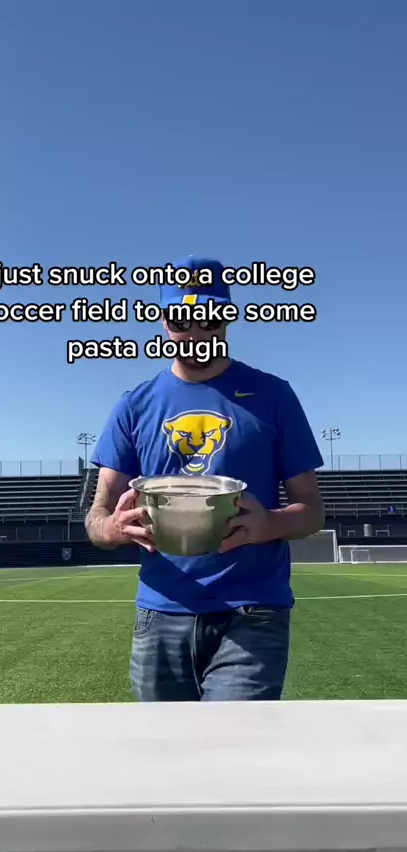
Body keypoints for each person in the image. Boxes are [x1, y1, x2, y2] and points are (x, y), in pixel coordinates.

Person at [86, 255, 325, 702]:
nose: (196, 332)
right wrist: (112, 527)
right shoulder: (133, 406)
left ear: (228, 317)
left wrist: (269, 523)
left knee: (233, 743)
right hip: (160, 611)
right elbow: (97, 515)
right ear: (163, 322)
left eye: (210, 317)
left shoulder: (274, 396)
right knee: (163, 745)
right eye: (181, 320)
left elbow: (311, 510)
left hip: (253, 612)